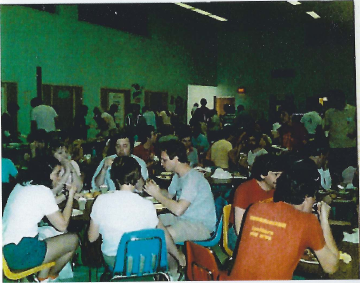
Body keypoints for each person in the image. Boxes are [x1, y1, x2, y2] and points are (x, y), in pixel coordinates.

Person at [228, 158, 339, 280]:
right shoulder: (308, 222)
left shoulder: (255, 208)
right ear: (307, 197)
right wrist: (324, 220)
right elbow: (331, 267)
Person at [88, 156, 186, 277]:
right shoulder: (147, 205)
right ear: (137, 177)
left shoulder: (101, 200)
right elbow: (162, 232)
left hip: (117, 262)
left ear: (114, 177)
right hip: (147, 260)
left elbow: (92, 238)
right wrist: (178, 255)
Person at [2, 156, 79, 282]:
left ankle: (42, 277)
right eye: (56, 174)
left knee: (49, 231)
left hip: (8, 249)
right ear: (45, 173)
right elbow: (63, 225)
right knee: (73, 239)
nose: (59, 178)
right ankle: (47, 279)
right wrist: (70, 196)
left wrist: (65, 195)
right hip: (20, 253)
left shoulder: (23, 186)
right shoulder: (42, 191)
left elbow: (48, 205)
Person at [144, 140, 216, 243]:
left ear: (176, 159)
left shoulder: (192, 178)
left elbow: (178, 210)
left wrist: (157, 194)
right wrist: (156, 190)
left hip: (201, 225)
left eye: (164, 160)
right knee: (151, 221)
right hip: (185, 218)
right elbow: (168, 195)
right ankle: (173, 257)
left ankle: (179, 258)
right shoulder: (178, 175)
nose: (161, 163)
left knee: (161, 237)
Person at [228, 154, 284, 250]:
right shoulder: (245, 190)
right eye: (276, 174)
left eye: (281, 174)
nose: (280, 178)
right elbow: (239, 229)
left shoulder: (277, 190)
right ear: (262, 175)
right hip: (239, 235)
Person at [323, 89, 357, 184]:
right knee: (336, 174)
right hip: (335, 148)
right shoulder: (329, 113)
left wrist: (354, 133)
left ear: (343, 99)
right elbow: (324, 128)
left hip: (350, 148)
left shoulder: (353, 110)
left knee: (350, 174)